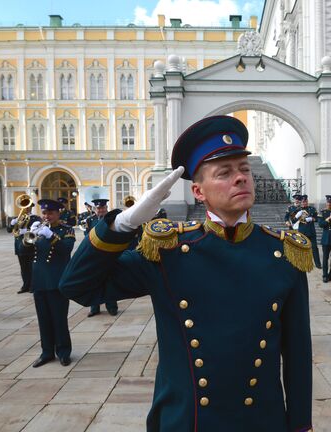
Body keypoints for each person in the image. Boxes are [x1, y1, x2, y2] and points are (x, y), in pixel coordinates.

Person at [59, 115, 313, 432]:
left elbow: (298, 356)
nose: (241, 178)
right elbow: (78, 287)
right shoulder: (169, 252)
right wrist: (121, 225)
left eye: (244, 170)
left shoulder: (284, 254)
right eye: (224, 173)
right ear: (198, 191)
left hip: (260, 421)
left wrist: (301, 425)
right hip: (188, 421)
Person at [29, 199, 76, 367]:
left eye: (50, 213)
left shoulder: (66, 230)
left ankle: (63, 352)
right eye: (44, 213)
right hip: (39, 280)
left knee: (59, 318)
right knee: (43, 319)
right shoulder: (39, 231)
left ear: (58, 213)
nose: (46, 216)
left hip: (56, 280)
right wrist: (25, 236)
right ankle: (46, 352)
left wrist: (52, 237)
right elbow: (23, 252)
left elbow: (66, 249)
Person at [85, 198, 119, 317]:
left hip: (109, 252)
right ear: (95, 209)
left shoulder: (112, 219)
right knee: (93, 281)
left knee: (109, 280)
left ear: (106, 208)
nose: (101, 210)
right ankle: (94, 307)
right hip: (94, 254)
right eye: (99, 208)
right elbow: (87, 236)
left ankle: (112, 307)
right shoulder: (90, 220)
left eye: (103, 208)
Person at [7, 204, 41, 294]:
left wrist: (27, 231)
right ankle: (25, 286)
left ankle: (33, 286)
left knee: (31, 267)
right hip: (19, 246)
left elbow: (38, 230)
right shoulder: (17, 218)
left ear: (31, 207)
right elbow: (9, 230)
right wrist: (11, 224)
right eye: (24, 206)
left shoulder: (36, 218)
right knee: (23, 268)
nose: (25, 208)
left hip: (30, 246)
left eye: (27, 207)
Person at [292, 195, 321, 269]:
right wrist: (297, 216)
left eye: (306, 201)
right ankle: (302, 263)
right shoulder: (298, 210)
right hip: (302, 232)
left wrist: (312, 219)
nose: (305, 203)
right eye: (303, 202)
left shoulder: (312, 209)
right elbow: (293, 221)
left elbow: (318, 219)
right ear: (301, 202)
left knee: (314, 248)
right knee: (302, 248)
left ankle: (318, 264)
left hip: (311, 232)